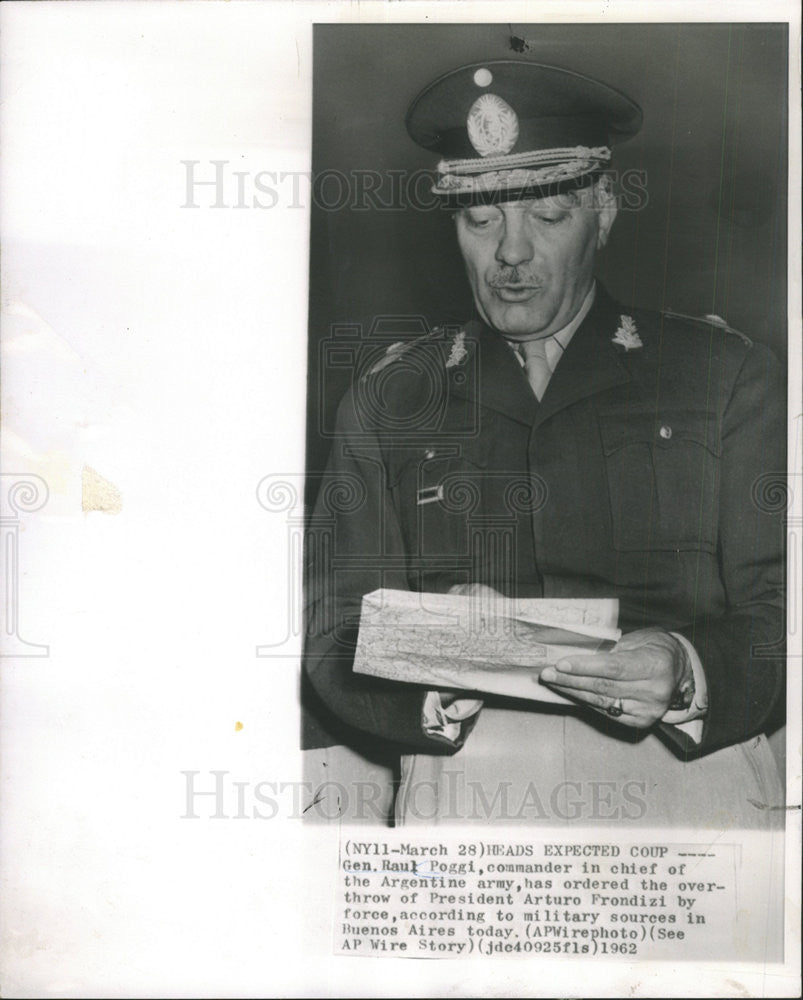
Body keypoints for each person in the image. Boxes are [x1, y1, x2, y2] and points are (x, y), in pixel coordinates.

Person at [303, 60, 786, 826]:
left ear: (603, 211)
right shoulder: (391, 397)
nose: (511, 254)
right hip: (469, 782)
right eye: (481, 219)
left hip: (683, 781)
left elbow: (780, 610)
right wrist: (433, 663)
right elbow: (332, 634)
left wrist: (689, 672)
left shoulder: (722, 376)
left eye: (548, 217)